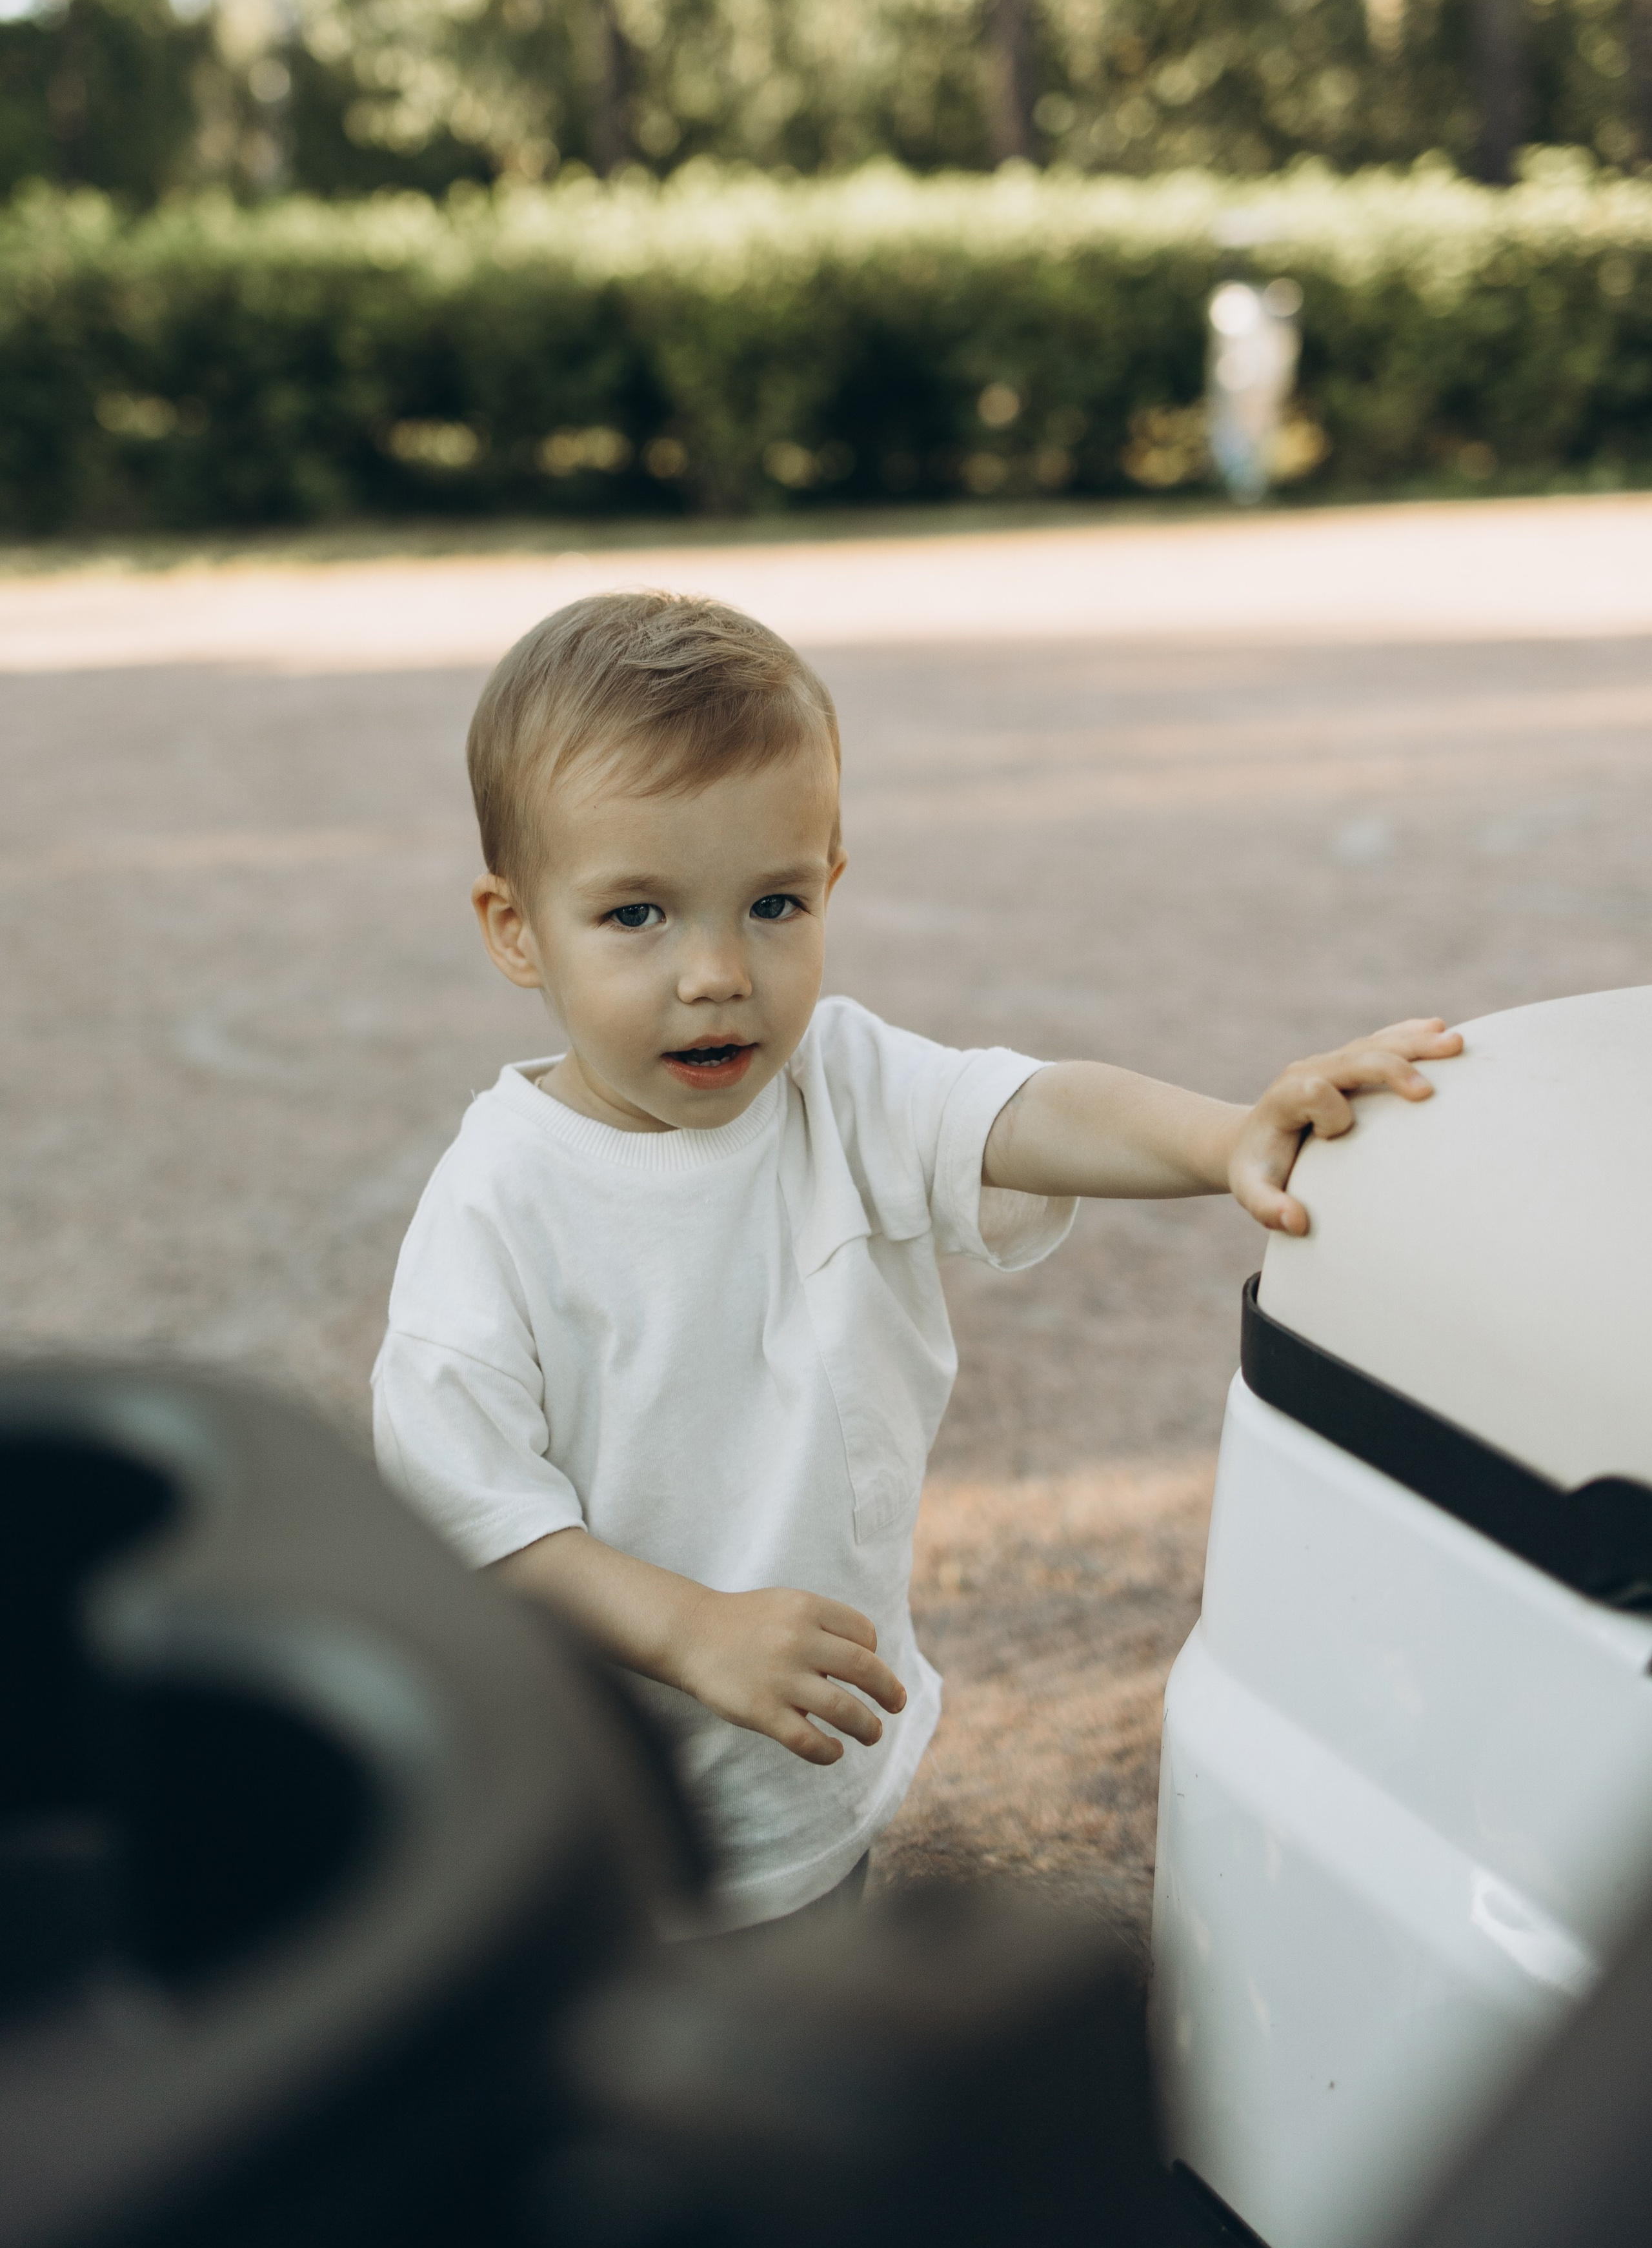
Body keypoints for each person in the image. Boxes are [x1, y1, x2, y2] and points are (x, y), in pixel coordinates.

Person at [372, 591, 1461, 1931]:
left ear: (830, 883)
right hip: (605, 1796)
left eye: (770, 904)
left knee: (810, 2014)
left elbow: (1024, 1112)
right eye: (637, 916)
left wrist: (1226, 1131)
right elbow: (469, 1512)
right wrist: (689, 1630)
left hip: (801, 1755)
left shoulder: (839, 1082)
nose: (717, 972)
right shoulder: (500, 1201)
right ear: (514, 927)